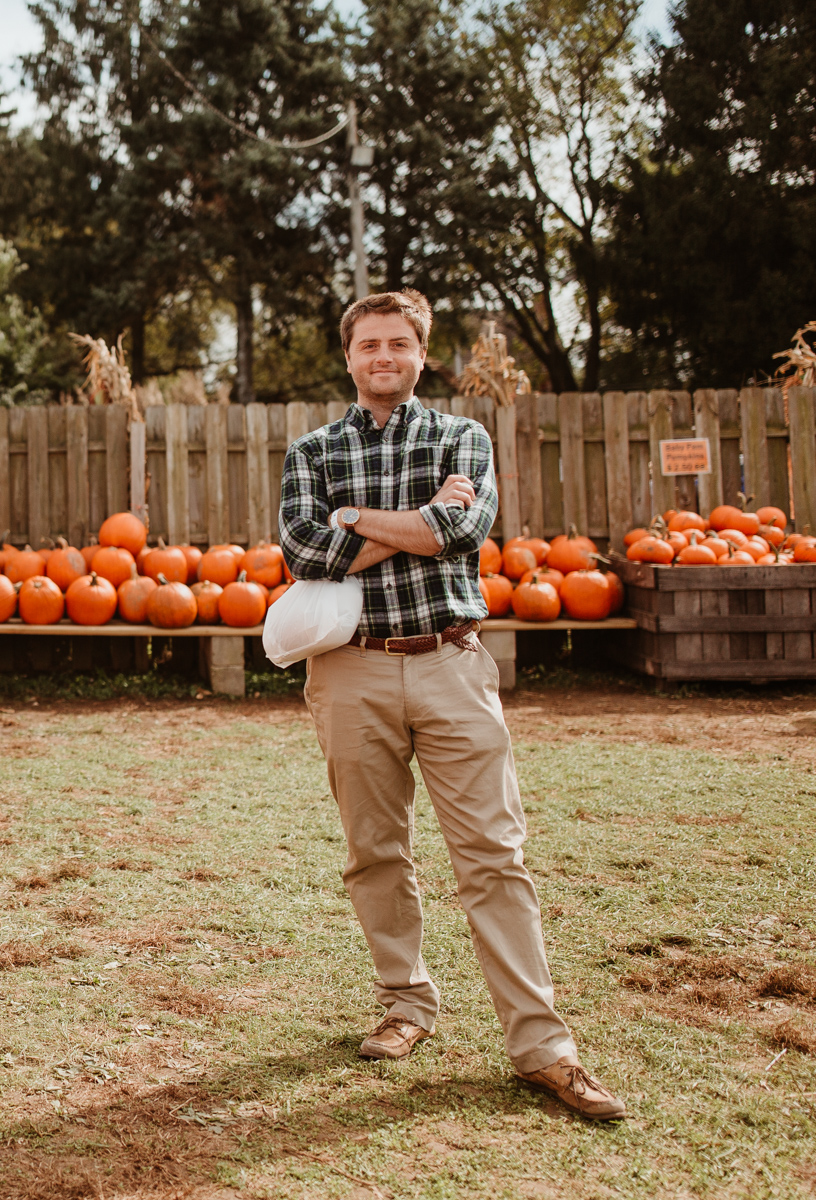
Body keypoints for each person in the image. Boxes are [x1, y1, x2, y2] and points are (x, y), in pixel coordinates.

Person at [277, 290, 624, 1121]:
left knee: (494, 858)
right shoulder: (312, 449)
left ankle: (543, 1048)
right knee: (374, 852)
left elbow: (461, 535)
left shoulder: (461, 437)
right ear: (350, 356)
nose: (383, 356)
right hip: (350, 672)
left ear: (421, 354)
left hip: (451, 664)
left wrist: (355, 518)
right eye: (368, 344)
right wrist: (417, 522)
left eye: (398, 343)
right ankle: (406, 1004)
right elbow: (301, 548)